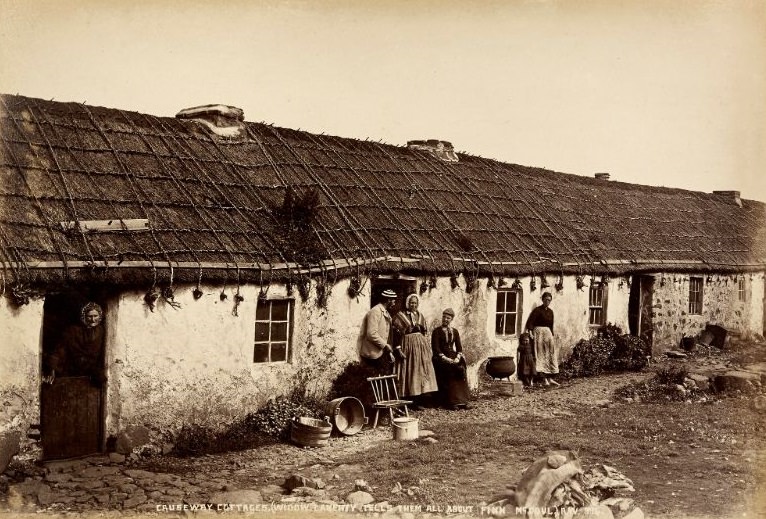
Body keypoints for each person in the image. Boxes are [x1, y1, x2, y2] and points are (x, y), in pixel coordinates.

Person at [44, 302, 106, 387]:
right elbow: (60, 351)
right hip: (73, 372)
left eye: (95, 316)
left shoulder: (101, 331)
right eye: (90, 316)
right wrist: (52, 369)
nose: (93, 319)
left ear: (100, 316)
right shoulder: (73, 331)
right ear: (84, 316)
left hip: (92, 374)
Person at [392, 293, 438, 408]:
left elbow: (424, 332)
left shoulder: (420, 316)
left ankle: (421, 400)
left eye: (415, 303)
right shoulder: (400, 316)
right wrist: (398, 349)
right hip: (407, 346)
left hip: (421, 348)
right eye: (412, 303)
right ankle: (409, 400)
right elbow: (395, 334)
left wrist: (426, 348)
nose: (414, 305)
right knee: (410, 371)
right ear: (407, 303)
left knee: (421, 372)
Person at [431, 308, 471, 410]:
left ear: (451, 319)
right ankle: (452, 402)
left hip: (453, 356)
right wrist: (446, 359)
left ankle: (463, 401)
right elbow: (435, 348)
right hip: (440, 358)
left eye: (448, 318)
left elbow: (459, 347)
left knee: (461, 367)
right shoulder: (436, 331)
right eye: (444, 317)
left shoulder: (455, 331)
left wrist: (458, 358)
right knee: (449, 370)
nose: (445, 319)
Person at [359, 289, 398, 374]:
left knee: (382, 379)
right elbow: (371, 334)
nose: (394, 303)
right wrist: (385, 345)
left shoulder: (385, 312)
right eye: (393, 300)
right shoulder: (375, 311)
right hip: (372, 354)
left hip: (381, 353)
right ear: (388, 300)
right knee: (374, 381)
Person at [525, 292, 559, 387]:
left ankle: (550, 378)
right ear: (542, 300)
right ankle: (543, 379)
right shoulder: (537, 310)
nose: (547, 301)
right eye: (546, 299)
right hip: (539, 334)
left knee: (549, 355)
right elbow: (530, 322)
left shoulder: (551, 312)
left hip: (547, 335)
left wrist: (552, 335)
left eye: (549, 300)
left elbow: (551, 325)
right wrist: (530, 332)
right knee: (540, 355)